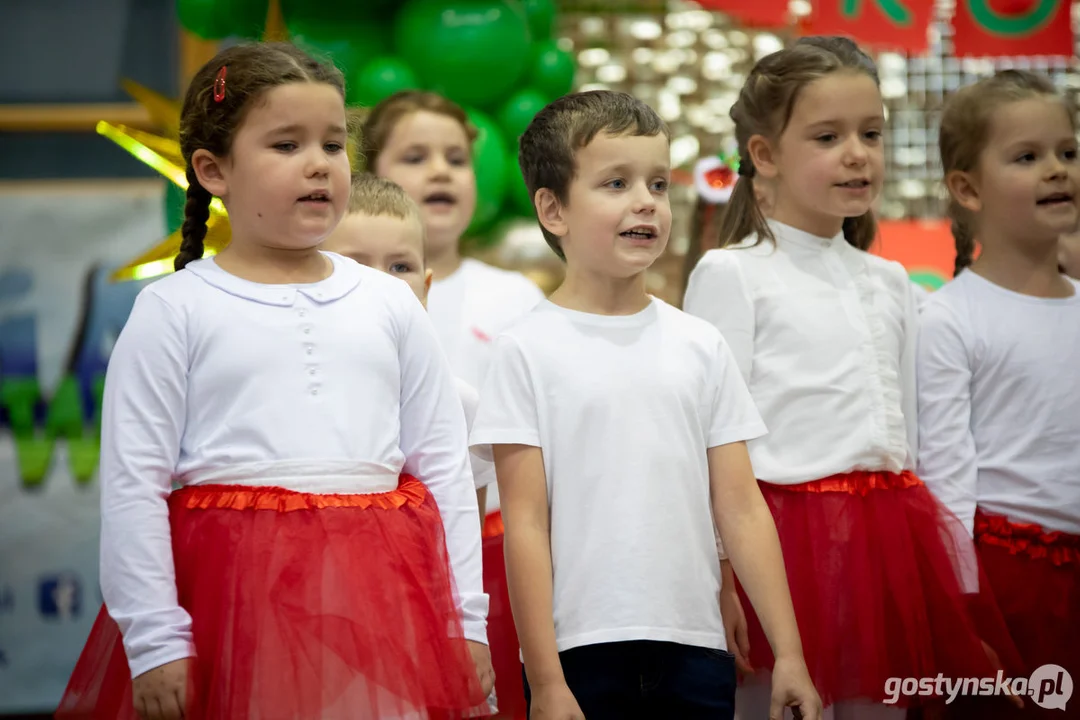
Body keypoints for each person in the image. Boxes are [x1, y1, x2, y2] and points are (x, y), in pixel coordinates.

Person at [56, 42, 490, 720]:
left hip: (384, 605)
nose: (319, 163)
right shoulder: (175, 307)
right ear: (213, 168)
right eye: (286, 144)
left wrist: (466, 621)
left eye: (333, 144)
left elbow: (444, 471)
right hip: (233, 609)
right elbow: (133, 482)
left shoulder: (389, 303)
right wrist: (154, 637)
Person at [683, 37, 1020, 719]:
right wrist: (718, 571)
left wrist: (950, 587)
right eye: (828, 136)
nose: (858, 153)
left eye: (871, 134)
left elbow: (913, 439)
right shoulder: (733, 274)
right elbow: (708, 444)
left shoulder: (890, 281)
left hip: (887, 545)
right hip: (778, 545)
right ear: (765, 155)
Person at [472, 89, 820, 720]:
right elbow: (525, 524)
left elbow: (740, 507)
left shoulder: (699, 344)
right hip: (579, 650)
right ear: (553, 210)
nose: (645, 202)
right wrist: (545, 681)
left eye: (658, 184)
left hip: (693, 646)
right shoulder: (524, 350)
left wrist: (789, 654)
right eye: (616, 182)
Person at [361, 90, 544, 719]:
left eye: (457, 158)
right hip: (375, 544)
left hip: (488, 554)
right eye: (416, 156)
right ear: (369, 175)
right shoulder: (339, 293)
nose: (441, 171)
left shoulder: (515, 295)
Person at [918, 69, 1080, 718]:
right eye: (1027, 156)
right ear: (967, 187)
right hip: (1007, 580)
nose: (1056, 169)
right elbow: (946, 478)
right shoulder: (950, 318)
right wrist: (962, 613)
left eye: (1067, 152)